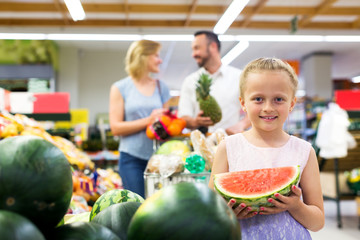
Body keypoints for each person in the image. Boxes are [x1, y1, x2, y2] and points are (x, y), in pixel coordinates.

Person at [209, 57, 325, 238]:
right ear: (243, 103)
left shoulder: (304, 151)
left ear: (292, 104)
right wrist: (228, 214)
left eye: (279, 99)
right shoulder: (228, 147)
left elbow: (317, 222)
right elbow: (210, 214)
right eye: (258, 99)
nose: (268, 107)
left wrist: (296, 206)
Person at [109, 40, 171, 198]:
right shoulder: (120, 87)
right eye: (156, 55)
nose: (160, 60)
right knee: (137, 206)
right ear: (142, 57)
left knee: (159, 207)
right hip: (131, 159)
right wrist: (148, 120)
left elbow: (167, 123)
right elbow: (115, 128)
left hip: (159, 160)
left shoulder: (161, 87)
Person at [177, 30, 250, 135]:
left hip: (230, 141)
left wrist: (241, 124)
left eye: (197, 48)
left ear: (213, 46)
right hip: (200, 144)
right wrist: (194, 122)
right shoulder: (190, 81)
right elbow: (183, 117)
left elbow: (255, 107)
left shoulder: (239, 77)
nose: (193, 54)